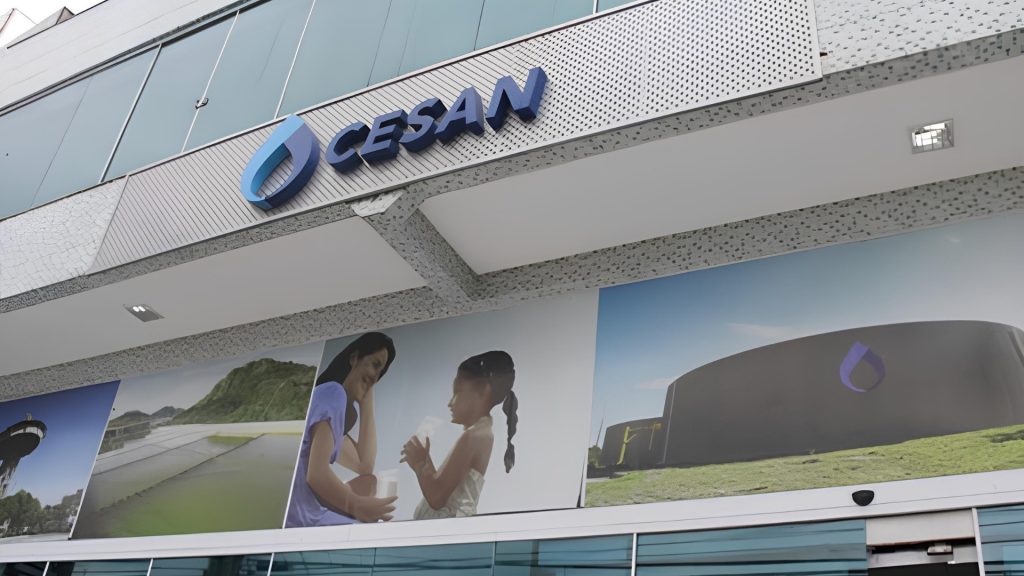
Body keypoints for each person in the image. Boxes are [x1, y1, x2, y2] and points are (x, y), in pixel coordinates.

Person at [285, 332, 398, 527]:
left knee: (368, 482)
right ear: (354, 358)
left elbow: (364, 466)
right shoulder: (333, 392)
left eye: (381, 372)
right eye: (374, 364)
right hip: (300, 518)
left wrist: (367, 400)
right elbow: (316, 474)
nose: (375, 376)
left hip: (304, 512)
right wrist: (356, 504)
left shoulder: (330, 402)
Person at [400, 351, 518, 519]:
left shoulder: (474, 436)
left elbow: (437, 497)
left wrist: (419, 463)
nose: (450, 403)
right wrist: (425, 459)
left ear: (483, 391)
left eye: (458, 393)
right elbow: (446, 487)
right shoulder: (480, 433)